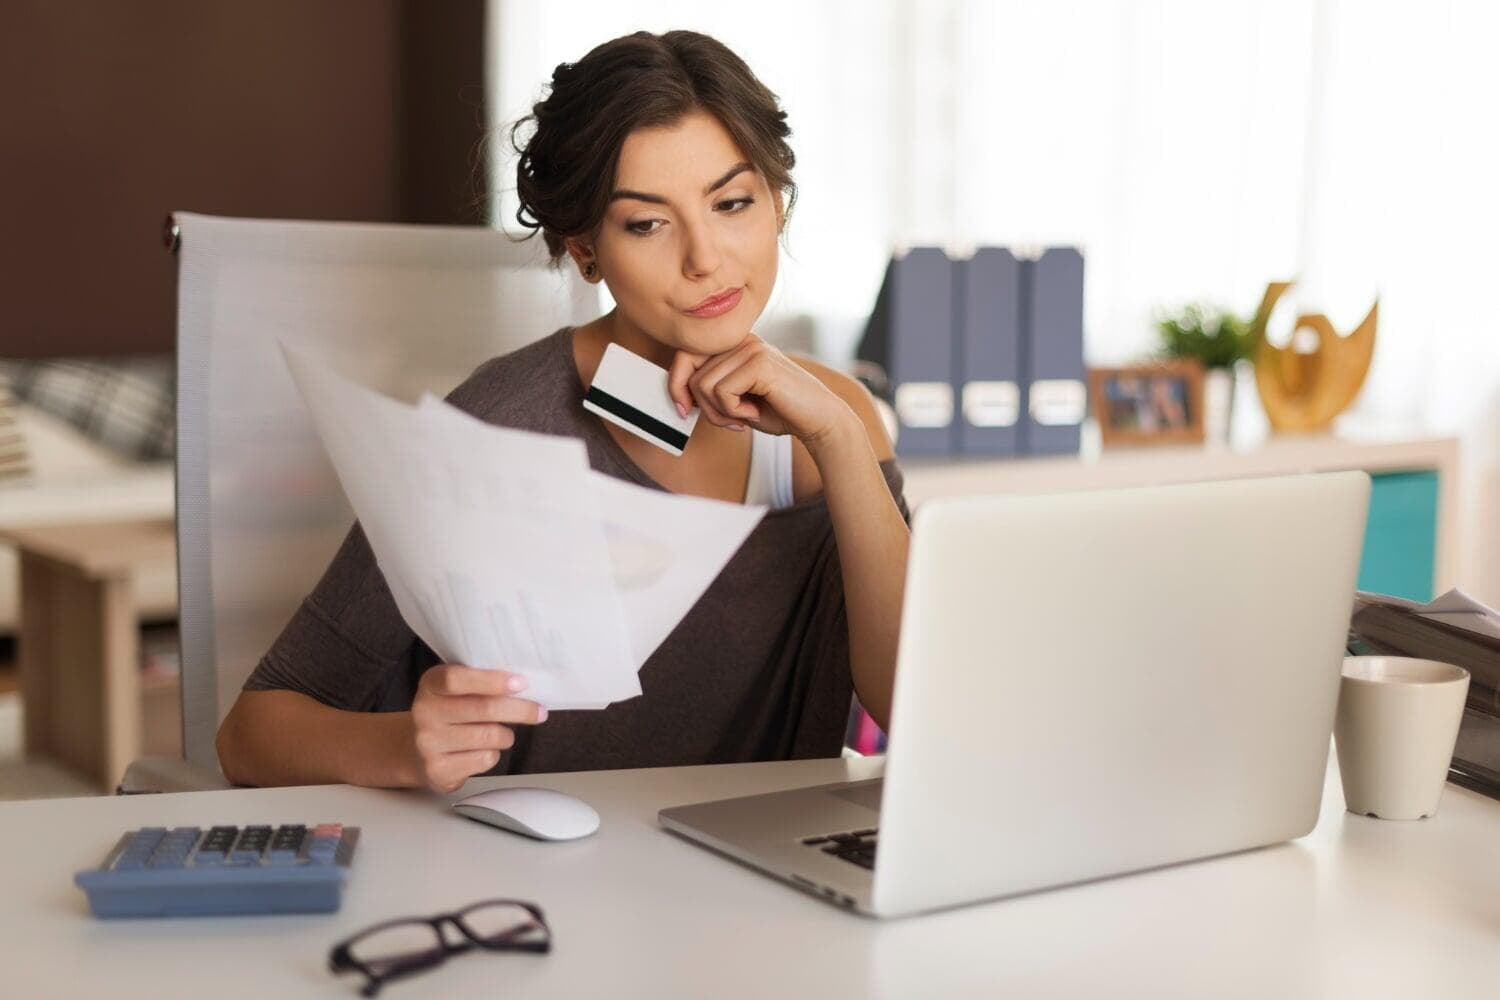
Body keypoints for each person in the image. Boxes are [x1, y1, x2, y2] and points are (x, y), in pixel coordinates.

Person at [215, 29, 911, 794]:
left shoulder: (832, 418)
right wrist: (401, 748)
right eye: (647, 223)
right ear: (584, 249)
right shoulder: (501, 423)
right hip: (536, 884)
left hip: (763, 879)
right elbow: (252, 734)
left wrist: (841, 439)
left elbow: (907, 704)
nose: (705, 257)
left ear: (777, 204)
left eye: (733, 203)